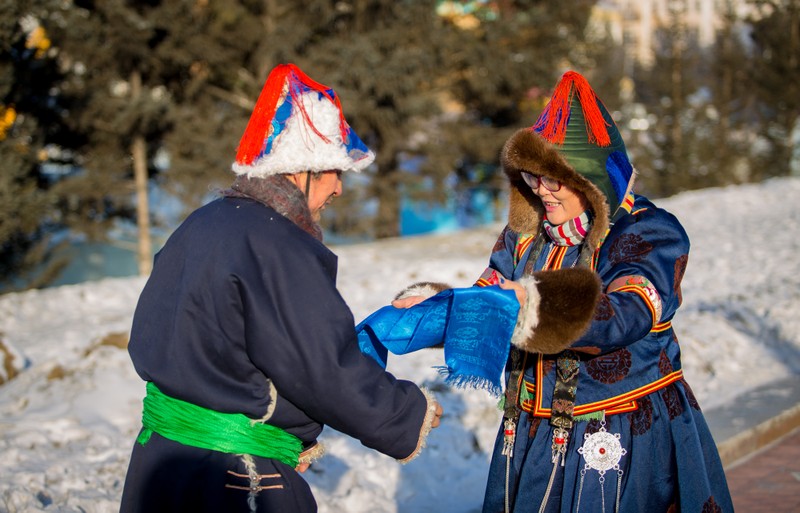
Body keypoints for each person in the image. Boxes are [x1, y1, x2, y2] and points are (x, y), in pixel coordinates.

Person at [391, 71, 733, 512]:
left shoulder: (647, 232)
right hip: (531, 434)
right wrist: (435, 307)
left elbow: (629, 311)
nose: (542, 192)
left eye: (555, 179)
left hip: (623, 433)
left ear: (592, 180)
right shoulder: (527, 234)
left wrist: (532, 305)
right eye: (532, 177)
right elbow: (489, 300)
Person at [119, 63, 442, 513]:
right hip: (234, 478)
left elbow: (199, 342)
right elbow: (321, 366)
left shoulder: (204, 221)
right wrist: (406, 413)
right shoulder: (279, 245)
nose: (339, 189)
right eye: (334, 172)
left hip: (160, 468)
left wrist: (284, 427)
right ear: (303, 169)